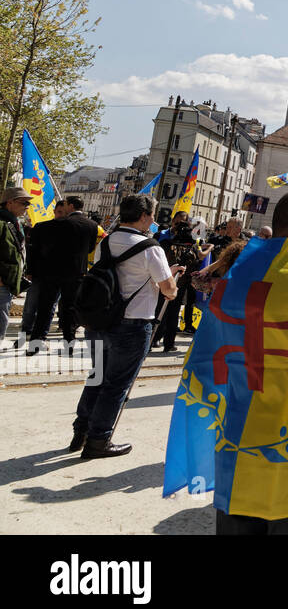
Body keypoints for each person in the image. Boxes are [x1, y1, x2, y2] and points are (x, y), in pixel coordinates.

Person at [72, 193, 183, 458]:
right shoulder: (151, 248)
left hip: (100, 321)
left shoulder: (107, 242)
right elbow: (168, 290)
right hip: (132, 325)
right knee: (116, 385)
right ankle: (98, 441)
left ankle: (81, 431)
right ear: (144, 216)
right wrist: (172, 279)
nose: (153, 221)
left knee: (97, 377)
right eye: (152, 215)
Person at [26, 195, 101, 354]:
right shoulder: (92, 226)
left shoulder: (51, 225)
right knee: (70, 308)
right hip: (76, 273)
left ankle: (36, 341)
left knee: (45, 307)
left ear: (71, 206)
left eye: (65, 205)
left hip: (51, 272)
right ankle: (69, 342)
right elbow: (89, 250)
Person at [152, 218, 208, 352]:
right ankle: (167, 343)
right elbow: (197, 259)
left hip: (166, 281)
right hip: (177, 283)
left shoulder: (166, 243)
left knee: (161, 311)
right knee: (172, 313)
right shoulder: (186, 245)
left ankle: (155, 340)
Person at [0, 186, 33, 347]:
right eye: (23, 203)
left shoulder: (13, 222)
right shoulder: (2, 222)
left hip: (8, 282)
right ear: (10, 202)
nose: (27, 207)